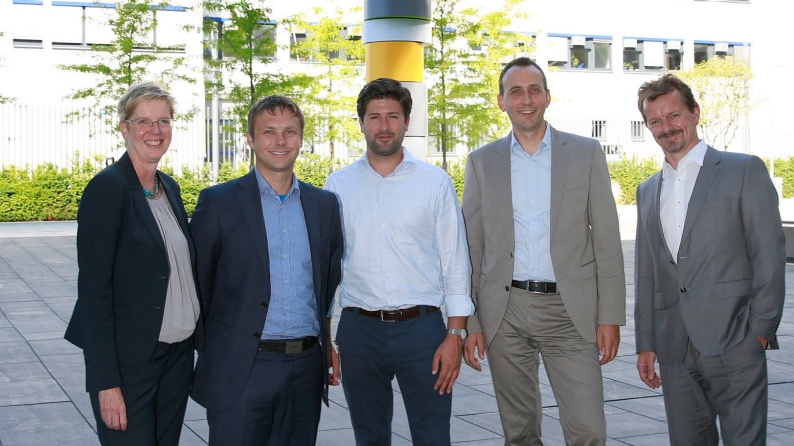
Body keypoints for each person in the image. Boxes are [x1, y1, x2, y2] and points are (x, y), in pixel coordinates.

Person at [461, 57, 626, 445]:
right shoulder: (481, 162)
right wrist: (471, 323)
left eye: (534, 90)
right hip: (506, 311)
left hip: (570, 313)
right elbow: (472, 247)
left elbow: (606, 237)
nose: (526, 99)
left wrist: (611, 316)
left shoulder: (585, 153)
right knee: (519, 432)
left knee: (588, 429)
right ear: (501, 101)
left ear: (548, 96)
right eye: (515, 91)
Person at [634, 73, 785, 445]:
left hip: (735, 342)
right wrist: (646, 342)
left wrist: (759, 334)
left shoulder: (743, 170)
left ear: (695, 113)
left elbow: (768, 255)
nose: (666, 127)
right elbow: (647, 272)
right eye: (655, 120)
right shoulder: (647, 190)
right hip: (674, 349)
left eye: (674, 115)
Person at [324, 78, 474, 446]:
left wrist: (455, 334)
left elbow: (456, 262)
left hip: (423, 333)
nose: (384, 125)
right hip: (360, 333)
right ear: (360, 123)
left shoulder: (434, 182)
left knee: (433, 435)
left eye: (393, 116)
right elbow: (328, 270)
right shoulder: (337, 186)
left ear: (407, 122)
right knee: (369, 437)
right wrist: (325, 337)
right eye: (374, 116)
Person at [189, 95, 343, 445]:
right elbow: (199, 286)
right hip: (242, 369)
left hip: (305, 369)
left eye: (290, 131)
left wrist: (327, 343)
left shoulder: (325, 205)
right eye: (269, 131)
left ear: (301, 139)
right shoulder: (219, 203)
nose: (280, 140)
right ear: (250, 139)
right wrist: (216, 352)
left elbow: (327, 283)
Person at [64, 82, 204, 445]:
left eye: (163, 121)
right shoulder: (107, 190)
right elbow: (94, 293)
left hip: (175, 357)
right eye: (144, 121)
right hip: (131, 362)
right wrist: (105, 382)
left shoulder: (167, 187)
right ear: (124, 128)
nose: (155, 132)